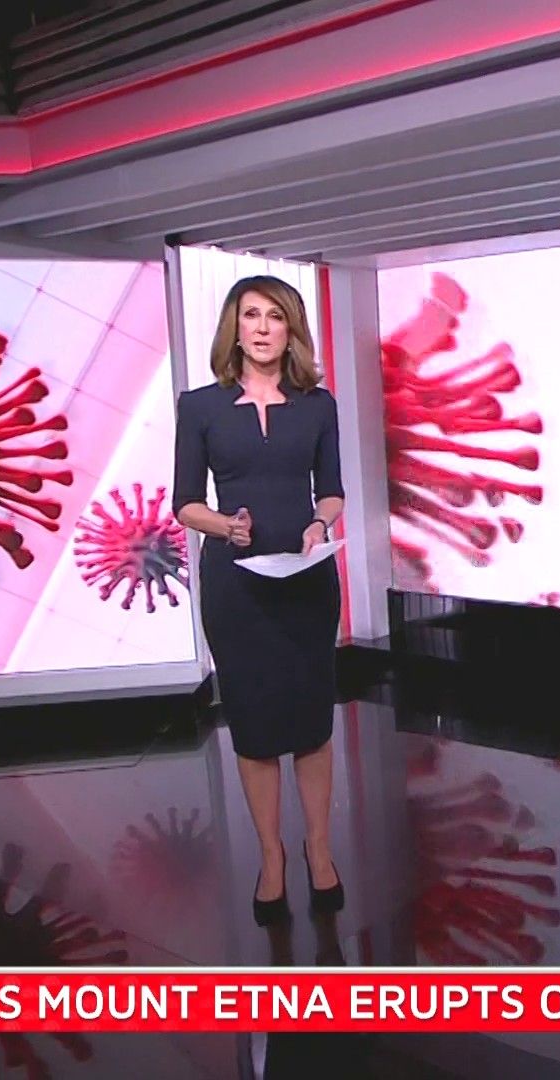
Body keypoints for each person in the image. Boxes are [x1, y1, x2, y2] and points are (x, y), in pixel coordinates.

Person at [173, 275, 346, 926]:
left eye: (276, 315)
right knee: (255, 724)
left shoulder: (318, 405)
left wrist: (320, 524)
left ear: (291, 328)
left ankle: (318, 850)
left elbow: (332, 491)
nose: (264, 327)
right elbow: (185, 503)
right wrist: (225, 526)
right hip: (237, 584)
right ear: (235, 328)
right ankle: (271, 858)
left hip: (306, 579)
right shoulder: (200, 407)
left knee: (311, 721)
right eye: (251, 315)